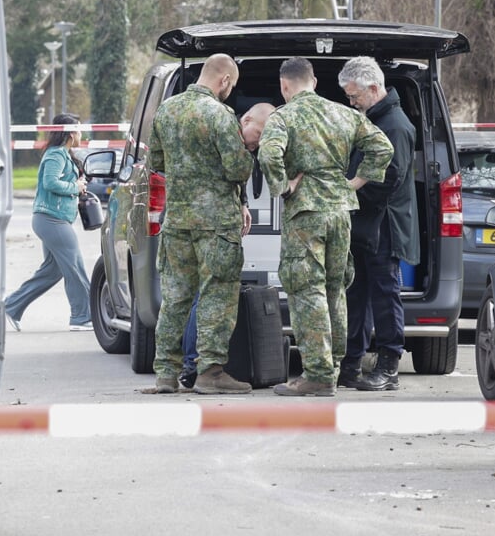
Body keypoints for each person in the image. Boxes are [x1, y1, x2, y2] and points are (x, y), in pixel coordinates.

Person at [257, 57, 392, 396]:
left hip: (307, 213)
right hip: (340, 212)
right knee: (335, 288)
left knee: (307, 290)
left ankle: (316, 374)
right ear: (314, 81)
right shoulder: (344, 114)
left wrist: (284, 187)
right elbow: (382, 146)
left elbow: (268, 154)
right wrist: (355, 182)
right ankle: (332, 368)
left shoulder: (283, 117)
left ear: (284, 86)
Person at [148, 54, 256, 395]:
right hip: (216, 225)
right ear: (223, 80)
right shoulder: (220, 115)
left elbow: (156, 161)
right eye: (232, 85)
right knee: (216, 294)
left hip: (178, 220)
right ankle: (209, 372)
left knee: (176, 297)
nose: (230, 91)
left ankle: (166, 373)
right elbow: (239, 169)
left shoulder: (167, 110)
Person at [179, 102, 275, 389]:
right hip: (210, 225)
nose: (257, 145)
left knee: (200, 295)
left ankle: (189, 366)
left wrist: (243, 203)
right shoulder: (223, 133)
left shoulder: (226, 133)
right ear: (245, 119)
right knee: (206, 295)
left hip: (202, 222)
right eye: (258, 135)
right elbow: (231, 172)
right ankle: (197, 366)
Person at [337, 57, 417, 391]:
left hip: (383, 226)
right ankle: (352, 362)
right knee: (357, 295)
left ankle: (388, 366)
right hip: (367, 224)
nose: (351, 102)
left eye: (354, 96)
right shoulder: (374, 120)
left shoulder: (394, 125)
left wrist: (349, 192)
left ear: (374, 88)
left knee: (385, 296)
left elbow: (389, 180)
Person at [3, 114, 92, 332]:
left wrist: (77, 183)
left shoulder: (63, 154)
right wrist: (76, 187)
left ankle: (10, 307)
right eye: (79, 130)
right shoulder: (56, 155)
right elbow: (50, 182)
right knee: (75, 267)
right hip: (51, 219)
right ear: (70, 133)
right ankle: (82, 317)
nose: (82, 134)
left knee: (52, 271)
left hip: (53, 219)